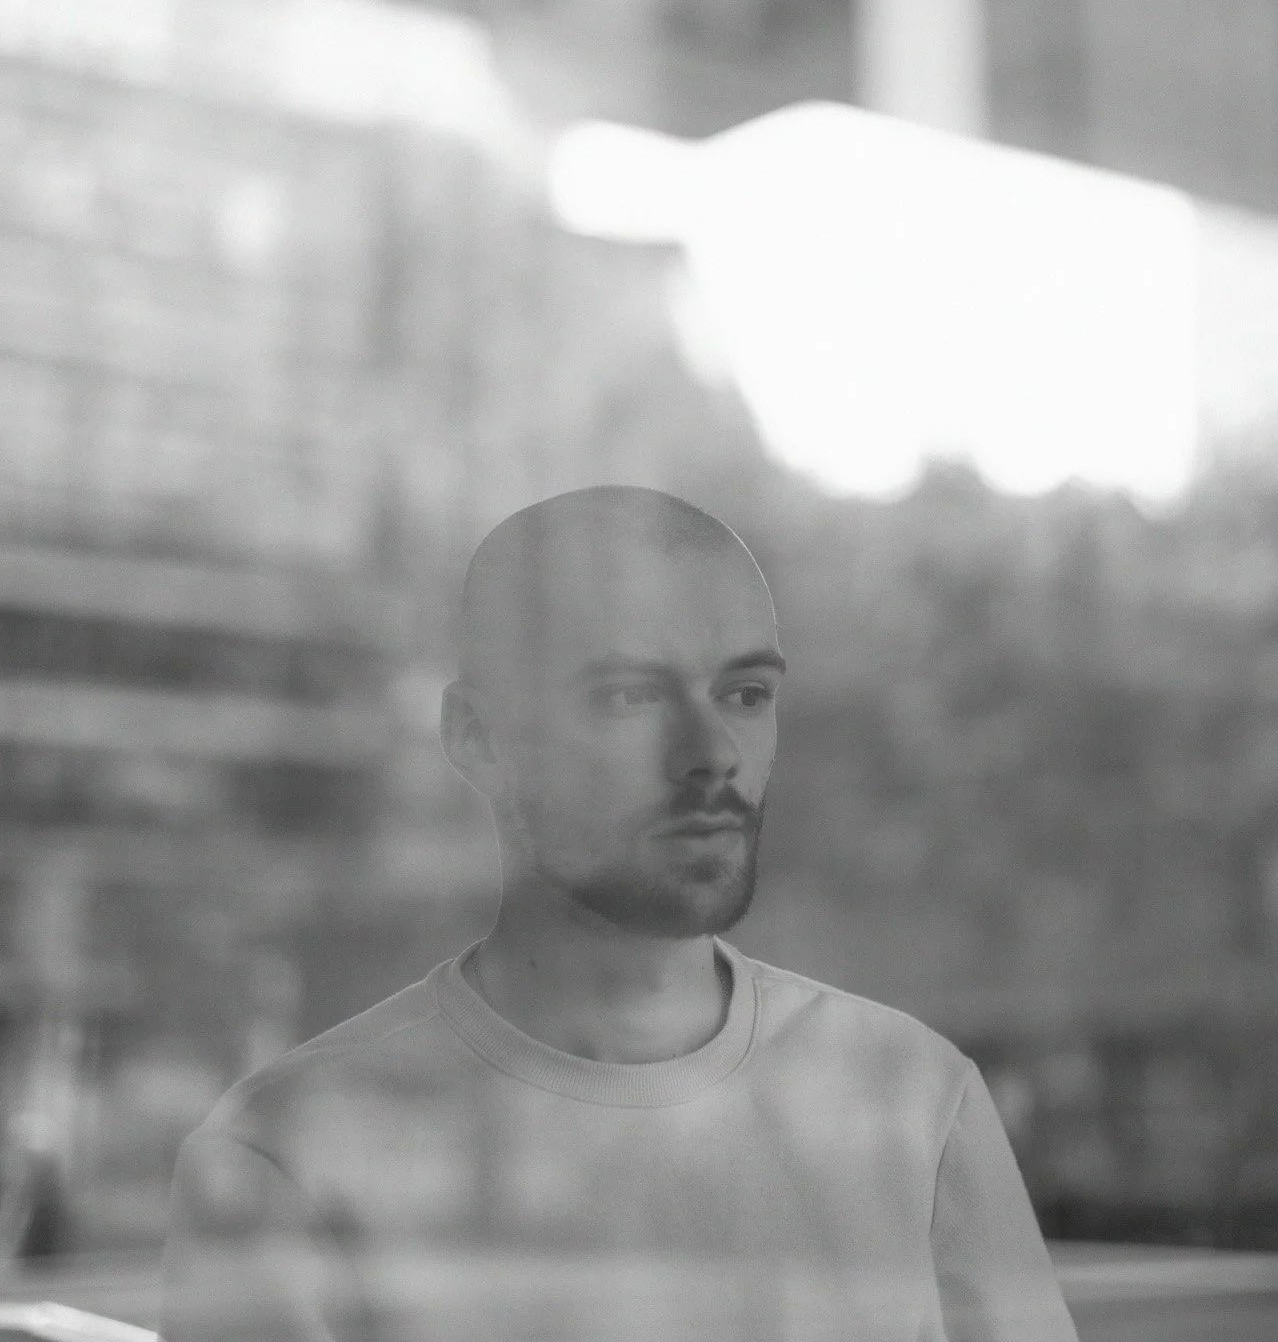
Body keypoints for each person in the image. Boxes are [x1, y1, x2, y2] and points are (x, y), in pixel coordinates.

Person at [161, 486, 1077, 1342]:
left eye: (746, 694)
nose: (711, 753)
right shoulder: (282, 1162)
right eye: (629, 697)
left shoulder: (914, 1102)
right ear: (476, 738)